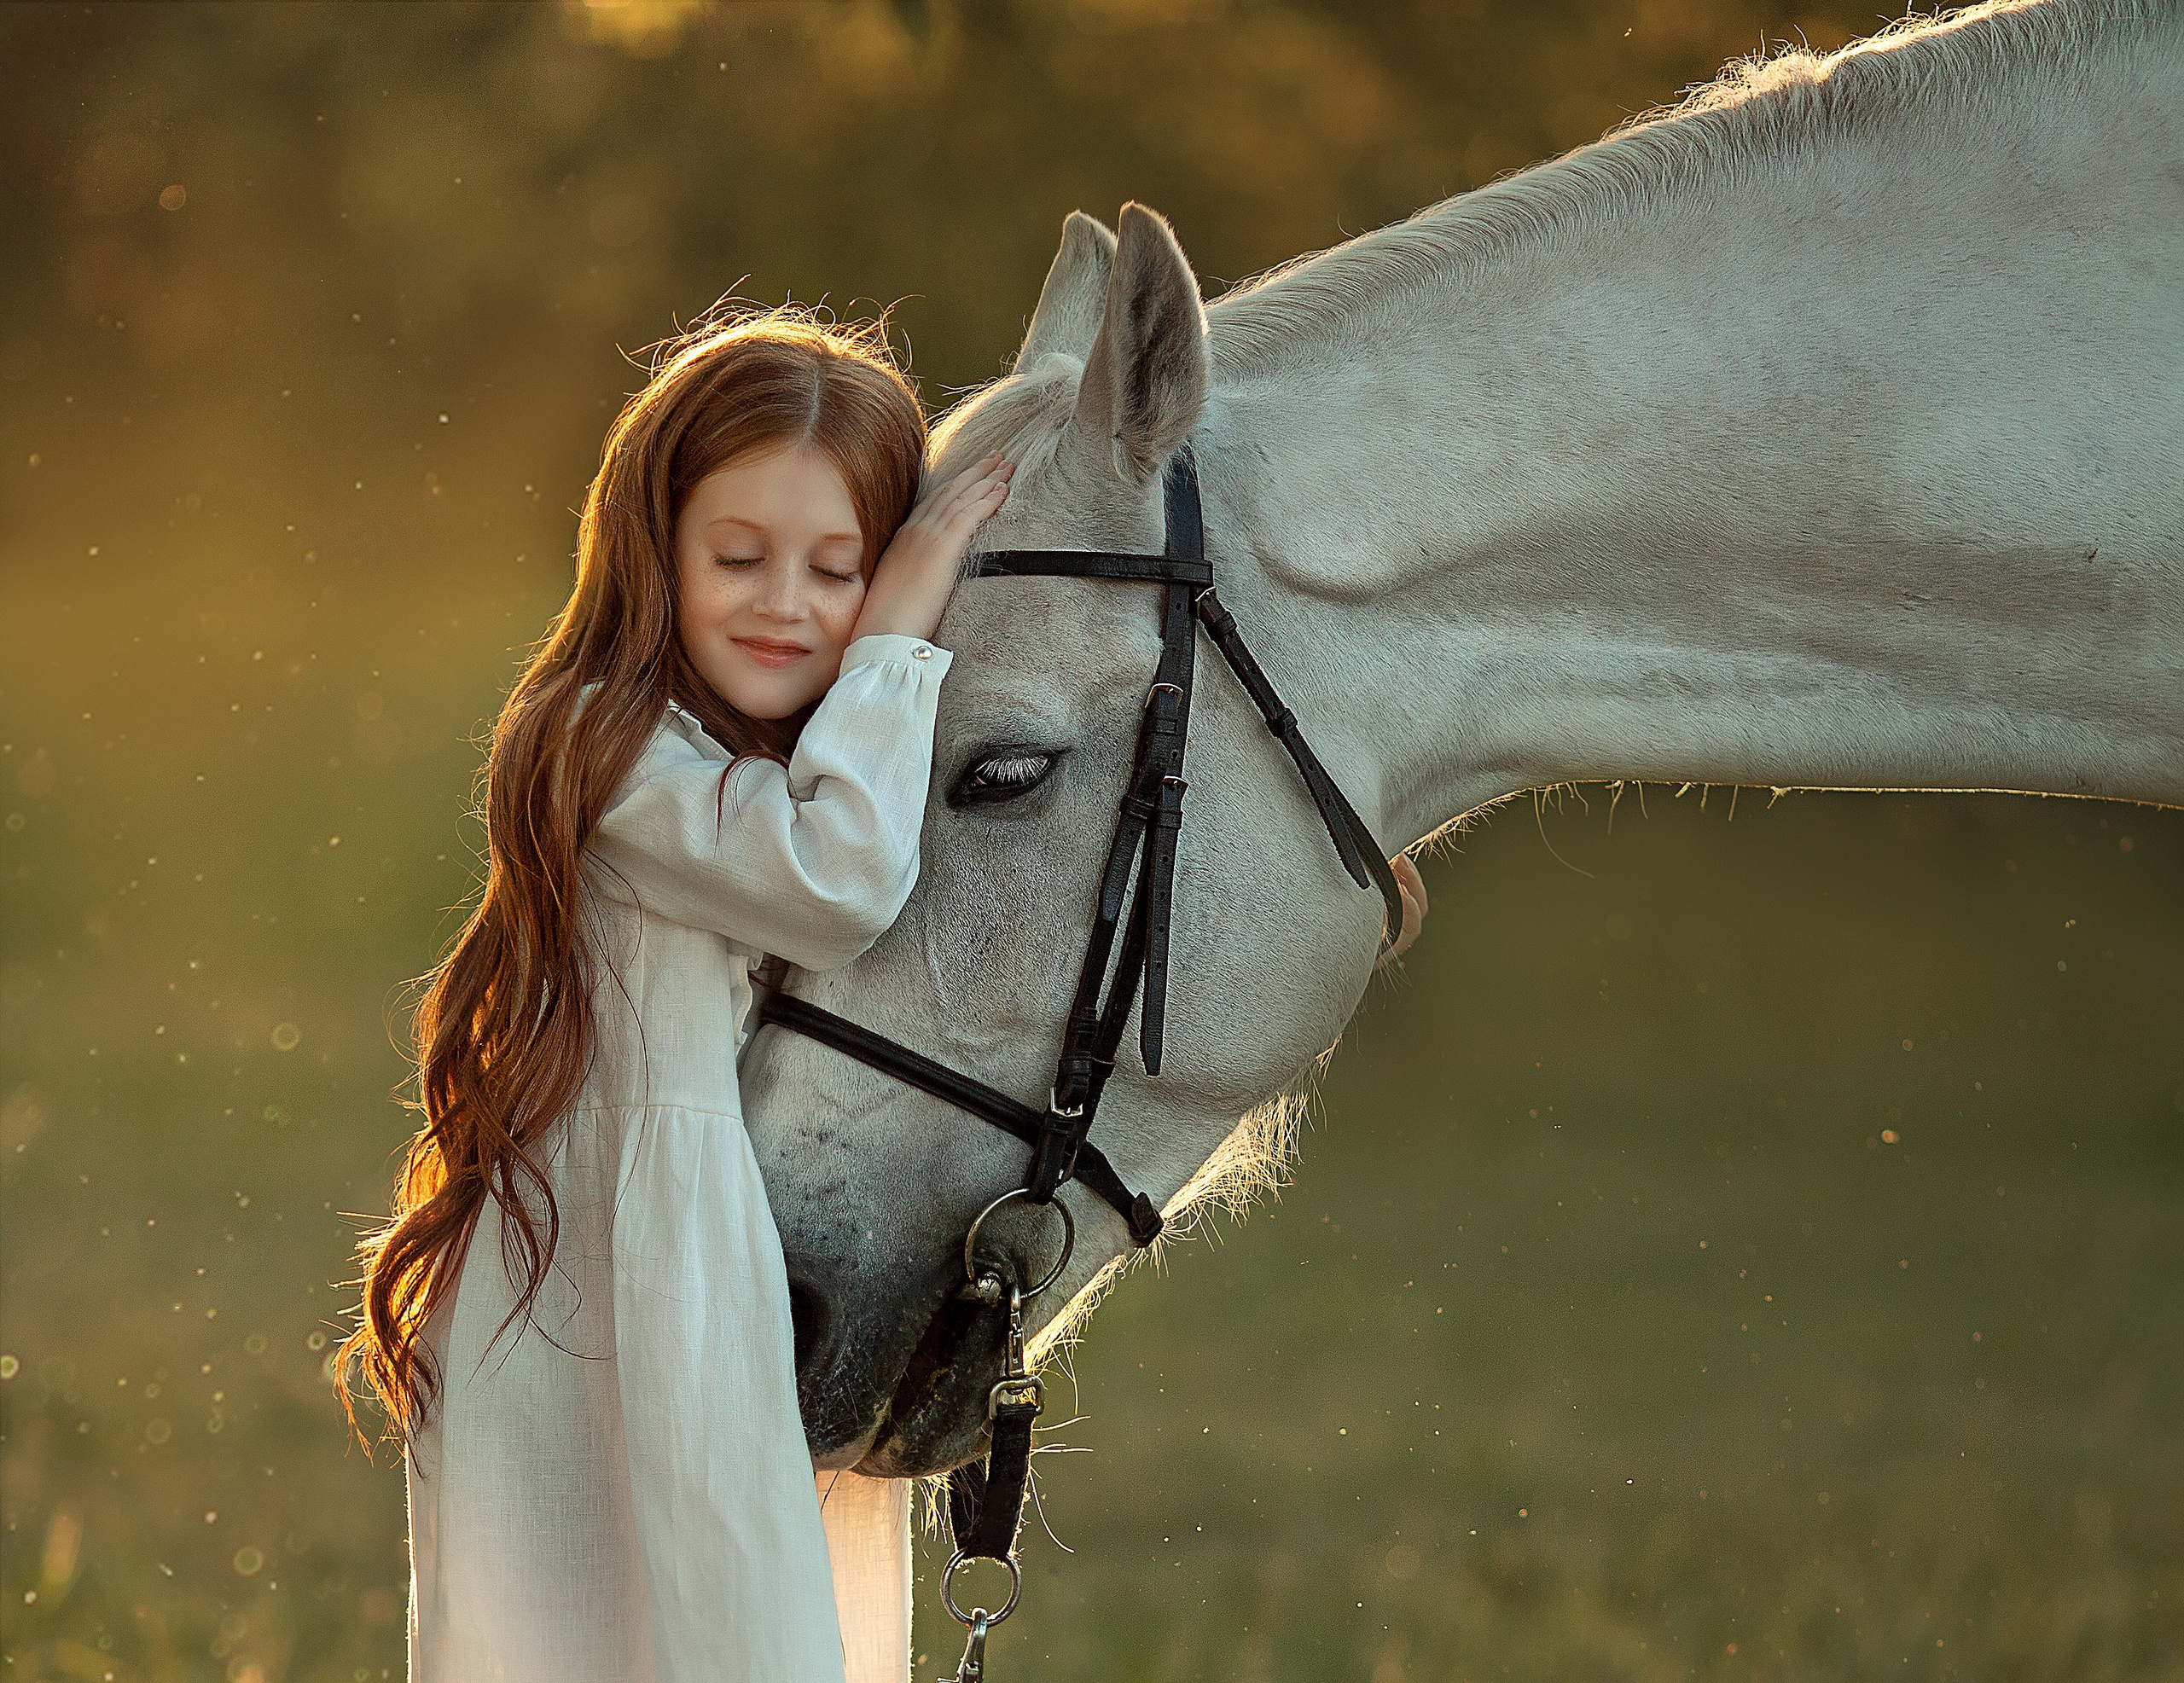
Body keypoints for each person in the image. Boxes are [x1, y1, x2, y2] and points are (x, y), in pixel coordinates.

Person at [338, 305, 1008, 1682]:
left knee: (738, 1625)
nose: (786, 603)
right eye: (739, 556)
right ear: (656, 549)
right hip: (620, 1267)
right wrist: (896, 631)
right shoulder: (607, 742)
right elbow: (834, 882)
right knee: (620, 1636)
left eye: (840, 569)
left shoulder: (789, 754)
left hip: (716, 1252)